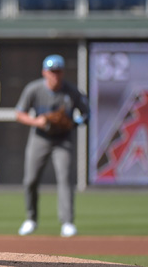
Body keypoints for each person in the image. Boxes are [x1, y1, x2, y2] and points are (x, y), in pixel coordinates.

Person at [15, 54, 89, 238]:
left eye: (58, 71)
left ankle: (67, 222)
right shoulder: (34, 89)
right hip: (39, 138)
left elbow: (87, 113)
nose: (54, 75)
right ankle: (31, 219)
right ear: (44, 72)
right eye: (51, 71)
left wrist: (76, 122)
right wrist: (36, 121)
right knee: (30, 180)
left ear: (63, 72)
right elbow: (19, 114)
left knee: (65, 179)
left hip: (63, 139)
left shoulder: (72, 92)